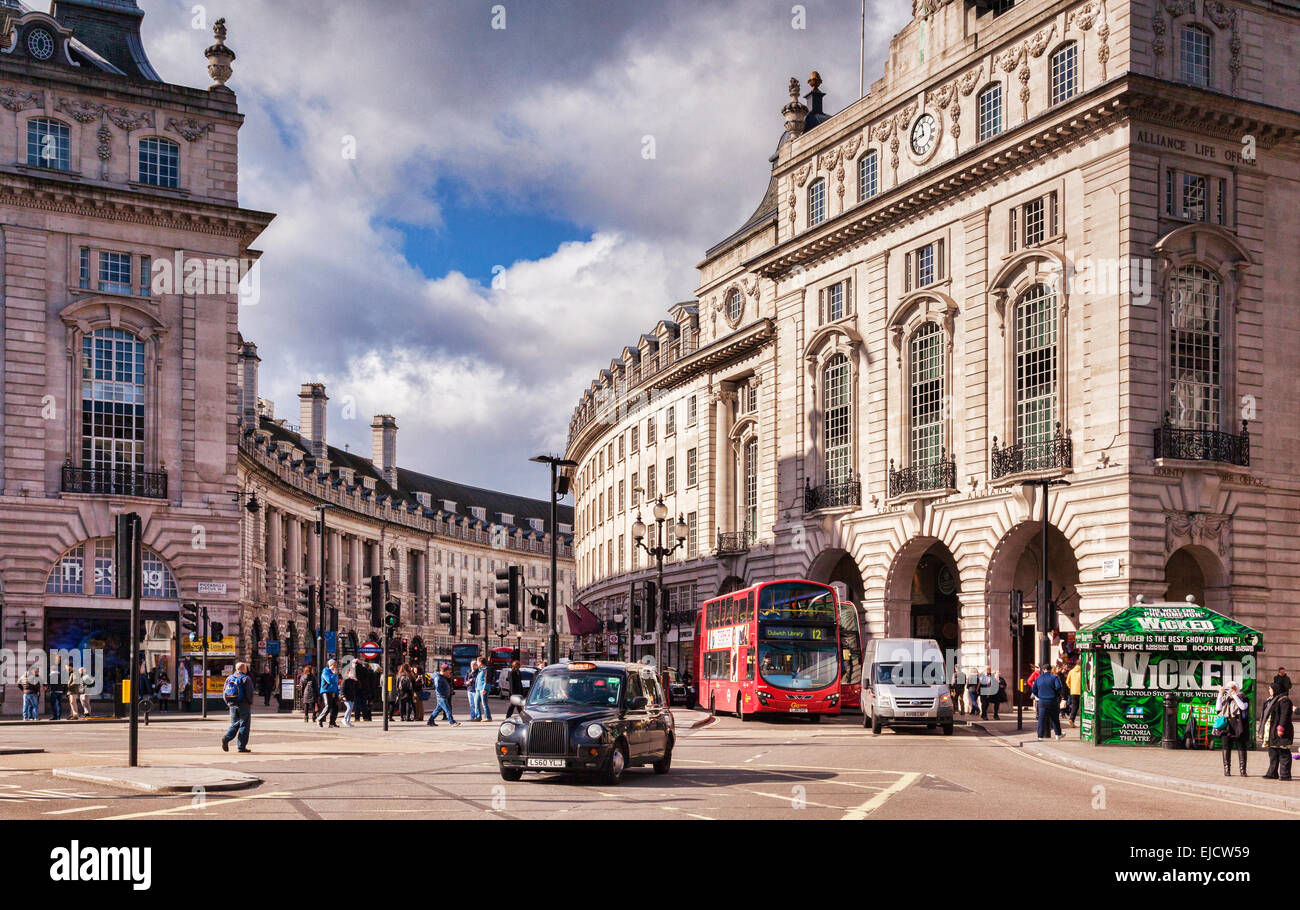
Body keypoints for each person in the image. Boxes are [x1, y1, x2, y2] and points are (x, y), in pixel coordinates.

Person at [1258, 683, 1293, 781]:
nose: (1269, 690)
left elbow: (1284, 716)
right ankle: (1272, 773)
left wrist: (1281, 728)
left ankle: (1285, 774)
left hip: (1280, 731)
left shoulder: (1284, 700)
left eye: (1270, 689)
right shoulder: (1270, 700)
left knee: (1284, 752)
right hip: (1271, 731)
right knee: (1273, 752)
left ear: (1276, 689)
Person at [219, 661, 254, 753]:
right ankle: (241, 746)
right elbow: (249, 693)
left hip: (232, 705)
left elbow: (224, 692)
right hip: (243, 705)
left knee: (235, 724)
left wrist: (228, 703)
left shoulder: (229, 678)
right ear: (243, 669)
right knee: (244, 725)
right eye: (246, 667)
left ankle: (227, 737)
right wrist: (250, 703)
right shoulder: (246, 678)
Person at [1216, 683, 1249, 777]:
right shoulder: (1225, 698)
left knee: (1241, 747)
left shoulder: (1243, 697)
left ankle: (1243, 770)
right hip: (1226, 725)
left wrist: (1235, 695)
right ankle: (1227, 769)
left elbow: (1243, 707)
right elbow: (1218, 708)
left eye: (1232, 688)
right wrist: (1220, 694)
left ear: (1236, 688)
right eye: (1228, 688)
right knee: (1226, 747)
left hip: (1238, 724)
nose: (1230, 690)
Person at [1031, 663, 1064, 740]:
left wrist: (1039, 695)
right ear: (1050, 670)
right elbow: (1059, 687)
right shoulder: (1054, 678)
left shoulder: (1038, 679)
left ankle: (1040, 736)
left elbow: (1033, 689)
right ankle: (1058, 734)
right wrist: (1056, 695)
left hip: (1042, 701)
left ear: (1043, 670)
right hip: (1052, 701)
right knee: (1055, 718)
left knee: (1041, 719)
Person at [317, 659, 341, 728]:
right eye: (334, 665)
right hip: (326, 691)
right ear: (330, 665)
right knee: (328, 705)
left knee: (335, 707)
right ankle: (320, 719)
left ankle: (332, 723)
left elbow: (335, 683)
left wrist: (337, 693)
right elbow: (329, 681)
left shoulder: (335, 673)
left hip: (333, 691)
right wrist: (334, 674)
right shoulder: (325, 671)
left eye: (336, 665)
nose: (335, 667)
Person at [471, 657, 493, 722]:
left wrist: (485, 688)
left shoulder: (486, 669)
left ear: (480, 662)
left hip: (483, 689)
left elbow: (487, 680)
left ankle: (488, 717)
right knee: (476, 702)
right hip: (478, 688)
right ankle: (478, 717)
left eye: (477, 662)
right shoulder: (480, 669)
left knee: (484, 703)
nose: (477, 663)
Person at [1065, 661, 1082, 727]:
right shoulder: (1083, 671)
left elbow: (1067, 682)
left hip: (1073, 691)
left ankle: (1072, 719)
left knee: (1075, 706)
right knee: (1083, 707)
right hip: (1081, 691)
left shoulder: (1071, 671)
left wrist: (1071, 687)